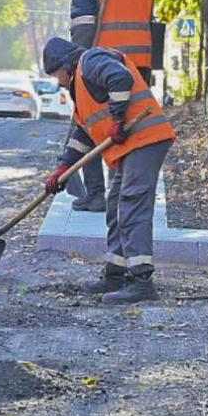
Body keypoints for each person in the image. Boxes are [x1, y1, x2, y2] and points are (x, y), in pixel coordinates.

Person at [42, 37, 175, 304]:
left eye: (56, 74)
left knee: (131, 204)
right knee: (115, 206)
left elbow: (120, 78)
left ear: (66, 65)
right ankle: (116, 273)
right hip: (133, 146)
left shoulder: (90, 61)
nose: (57, 82)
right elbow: (84, 134)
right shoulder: (80, 93)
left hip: (146, 139)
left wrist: (117, 119)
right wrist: (63, 168)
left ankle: (142, 283)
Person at [65, 0, 156, 213]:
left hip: (103, 66)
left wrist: (77, 66)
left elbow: (83, 29)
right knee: (125, 130)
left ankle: (95, 195)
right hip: (138, 66)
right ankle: (120, 195)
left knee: (91, 124)